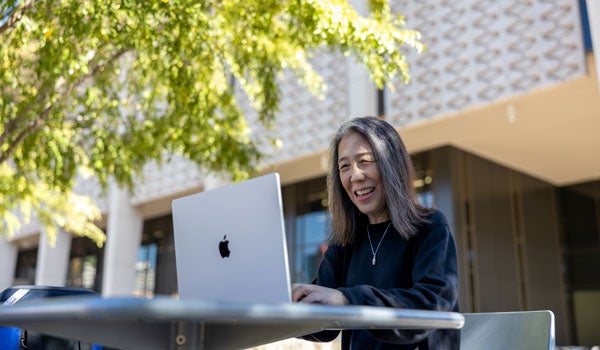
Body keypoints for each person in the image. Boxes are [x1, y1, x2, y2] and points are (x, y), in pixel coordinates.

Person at [292, 116, 460, 349]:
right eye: (344, 167)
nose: (355, 176)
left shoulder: (430, 227)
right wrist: (283, 308)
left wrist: (347, 300)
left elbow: (431, 306)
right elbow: (323, 326)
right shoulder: (344, 244)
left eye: (364, 161)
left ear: (391, 164)